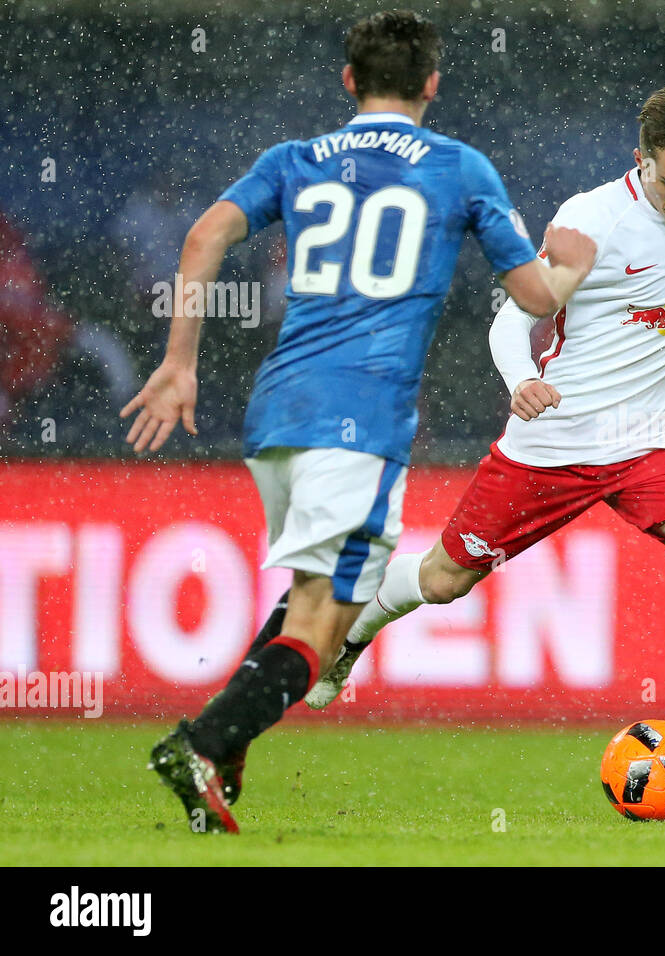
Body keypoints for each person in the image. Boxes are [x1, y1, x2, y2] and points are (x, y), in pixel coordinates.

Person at [119, 10, 596, 833]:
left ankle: (223, 749)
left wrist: (179, 364)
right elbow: (535, 299)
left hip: (276, 412)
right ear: (432, 85)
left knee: (317, 604)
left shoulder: (294, 160)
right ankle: (203, 742)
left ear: (349, 81)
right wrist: (571, 267)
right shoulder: (459, 167)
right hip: (361, 418)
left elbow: (203, 237)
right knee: (329, 621)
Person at [307, 78, 665, 815]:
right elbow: (510, 318)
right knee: (443, 579)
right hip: (553, 442)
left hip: (649, 446)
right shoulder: (589, 222)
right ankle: (351, 631)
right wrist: (522, 378)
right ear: (642, 158)